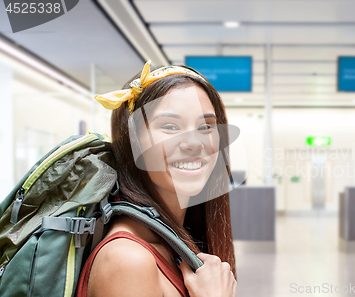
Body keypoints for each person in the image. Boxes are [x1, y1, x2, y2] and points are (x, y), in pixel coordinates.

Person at [76, 61, 237, 297]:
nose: (194, 143)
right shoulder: (128, 259)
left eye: (206, 127)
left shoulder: (174, 240)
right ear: (132, 142)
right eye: (170, 126)